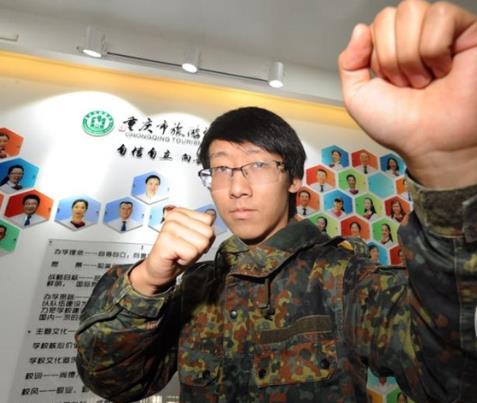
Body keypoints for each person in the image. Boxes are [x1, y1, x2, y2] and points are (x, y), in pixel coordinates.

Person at [76, 3, 477, 403]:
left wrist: (449, 170)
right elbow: (115, 382)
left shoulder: (344, 278)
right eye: (221, 169)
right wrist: (148, 280)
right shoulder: (197, 286)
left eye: (257, 165)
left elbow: (452, 378)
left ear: (295, 179)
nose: (237, 188)